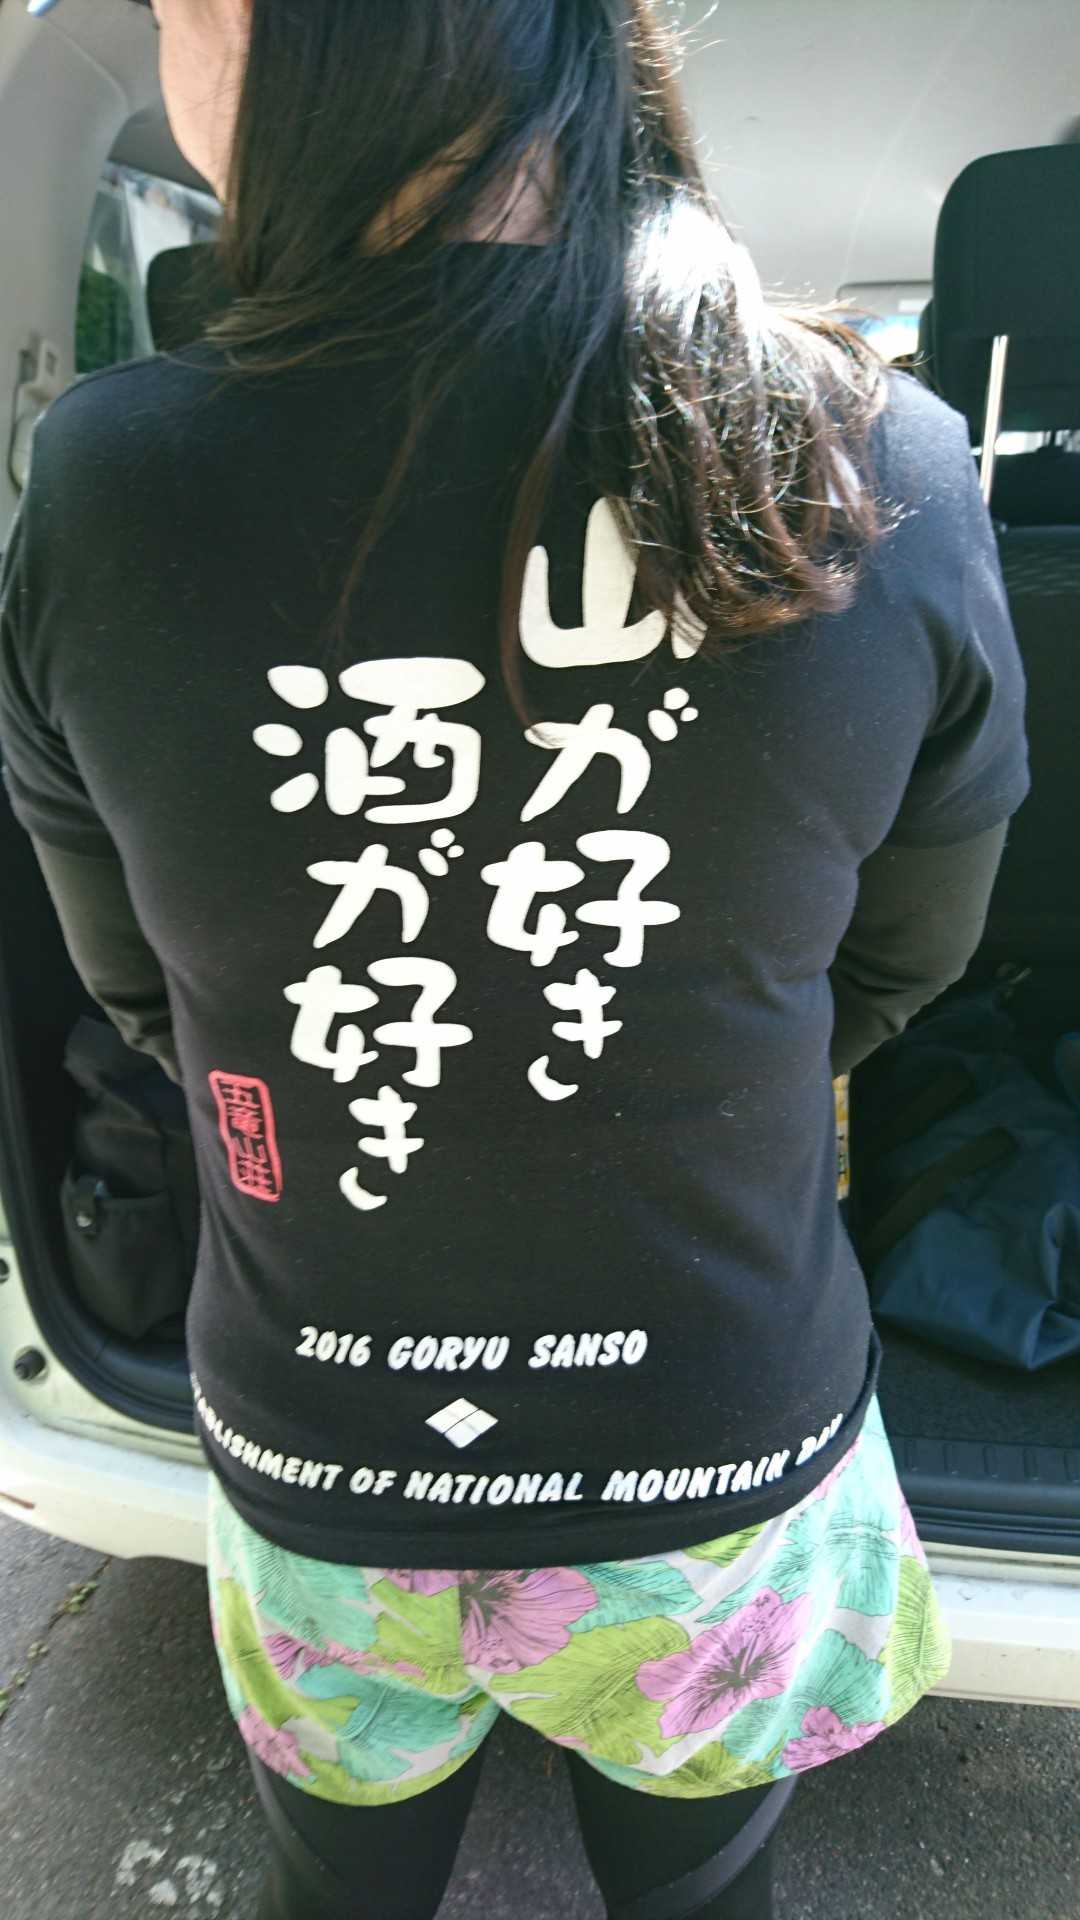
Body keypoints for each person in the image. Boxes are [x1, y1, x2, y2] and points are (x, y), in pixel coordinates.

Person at [0, 3, 1031, 1916]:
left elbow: (138, 986)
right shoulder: (877, 459)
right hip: (721, 1438)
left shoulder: (108, 481)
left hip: (319, 1432)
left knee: (340, 1888)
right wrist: (726, 1054)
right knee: (701, 1893)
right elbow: (911, 954)